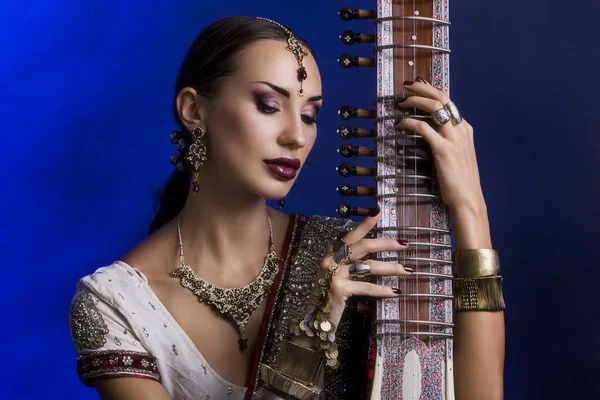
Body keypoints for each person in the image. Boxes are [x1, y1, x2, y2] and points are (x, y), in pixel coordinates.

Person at [68, 15, 505, 400]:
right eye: (269, 105)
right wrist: (315, 335)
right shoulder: (116, 305)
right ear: (193, 110)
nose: (296, 136)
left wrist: (470, 205)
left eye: (311, 115)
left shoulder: (349, 256)